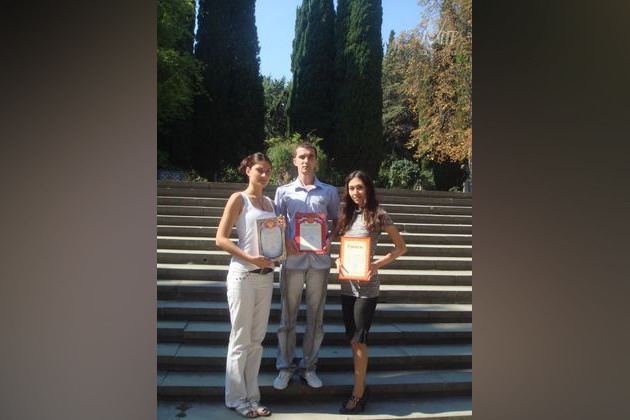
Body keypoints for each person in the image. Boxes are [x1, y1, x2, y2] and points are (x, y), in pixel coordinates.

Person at [216, 153, 285, 418]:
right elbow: (221, 239)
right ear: (248, 170)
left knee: (256, 341)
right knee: (240, 339)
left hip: (266, 277)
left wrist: (281, 233)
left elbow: (272, 240)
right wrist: (249, 257)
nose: (264, 175)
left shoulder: (270, 203)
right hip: (243, 276)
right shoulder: (238, 199)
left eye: (268, 171)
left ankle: (252, 396)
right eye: (259, 170)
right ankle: (236, 398)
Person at [334, 170, 407, 414]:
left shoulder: (379, 214)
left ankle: (358, 393)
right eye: (351, 188)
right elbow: (344, 247)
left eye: (360, 187)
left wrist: (376, 265)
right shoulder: (346, 214)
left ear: (368, 188)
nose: (355, 192)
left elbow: (401, 247)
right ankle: (361, 388)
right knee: (352, 339)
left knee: (359, 340)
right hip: (347, 285)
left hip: (367, 288)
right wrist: (338, 261)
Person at [272, 143, 340, 390]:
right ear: (294, 161)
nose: (306, 160)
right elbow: (276, 222)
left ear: (316, 161)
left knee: (315, 318)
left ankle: (309, 367)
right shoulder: (283, 192)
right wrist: (284, 238)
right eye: (301, 156)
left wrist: (330, 239)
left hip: (319, 262)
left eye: (310, 156)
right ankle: (285, 367)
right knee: (287, 317)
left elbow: (337, 221)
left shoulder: (329, 192)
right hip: (292, 260)